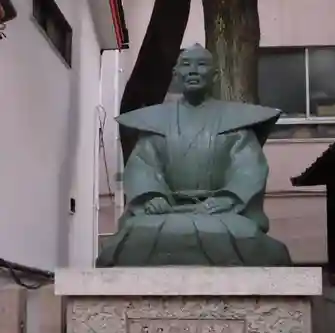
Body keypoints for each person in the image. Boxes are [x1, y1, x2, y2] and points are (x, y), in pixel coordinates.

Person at [96, 44, 291, 267]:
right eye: (186, 65)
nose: (193, 71)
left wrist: (228, 199)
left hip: (220, 213)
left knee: (242, 232)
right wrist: (152, 197)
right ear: (176, 74)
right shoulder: (158, 123)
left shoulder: (235, 123)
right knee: (138, 231)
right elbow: (143, 165)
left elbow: (248, 167)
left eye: (202, 65)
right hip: (166, 211)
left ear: (215, 75)